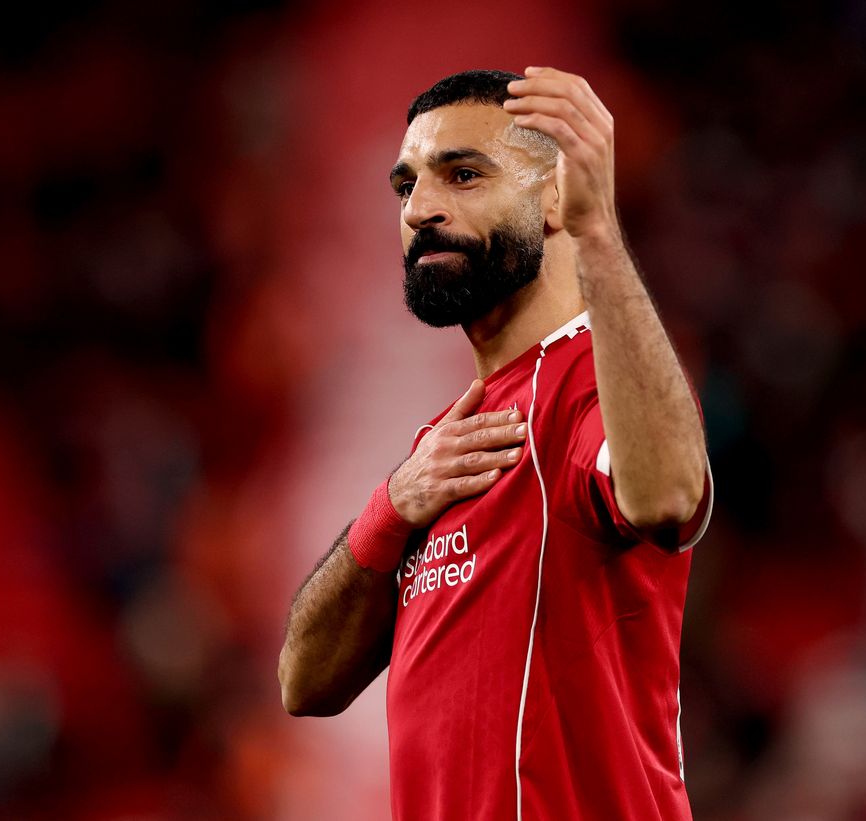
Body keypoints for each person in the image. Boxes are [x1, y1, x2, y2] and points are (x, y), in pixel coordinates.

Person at [278, 67, 713, 820]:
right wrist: (392, 506)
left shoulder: (592, 385)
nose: (419, 209)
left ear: (553, 197)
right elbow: (302, 681)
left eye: (463, 174)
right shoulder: (446, 447)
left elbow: (670, 496)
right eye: (405, 185)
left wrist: (599, 234)